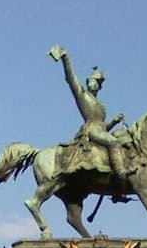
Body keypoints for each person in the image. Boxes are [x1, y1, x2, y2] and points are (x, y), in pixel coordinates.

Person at [49, 45, 130, 181]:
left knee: (123, 140)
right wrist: (66, 58)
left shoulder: (101, 106)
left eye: (96, 82)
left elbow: (103, 127)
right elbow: (71, 79)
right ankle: (120, 174)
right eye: (91, 81)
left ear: (99, 86)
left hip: (99, 130)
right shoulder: (83, 96)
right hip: (91, 129)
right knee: (113, 141)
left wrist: (114, 122)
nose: (93, 84)